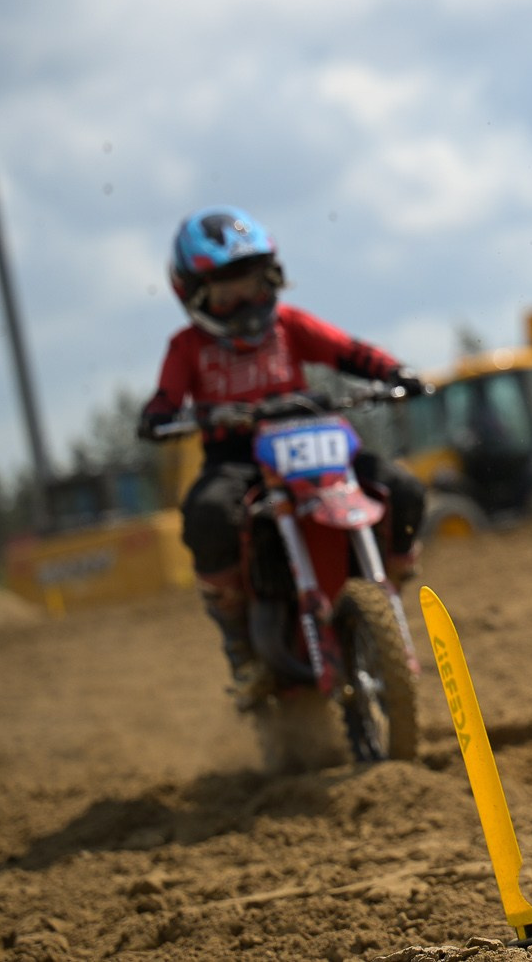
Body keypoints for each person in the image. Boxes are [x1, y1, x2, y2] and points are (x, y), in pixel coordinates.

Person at [137, 206, 428, 702]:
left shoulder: (290, 325)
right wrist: (160, 417)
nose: (247, 301)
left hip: (316, 437)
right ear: (195, 295)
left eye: (255, 284)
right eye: (229, 292)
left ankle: (391, 586)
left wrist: (395, 373)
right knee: (207, 516)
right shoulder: (187, 348)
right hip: (237, 458)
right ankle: (241, 646)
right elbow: (164, 401)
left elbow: (350, 351)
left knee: (404, 489)